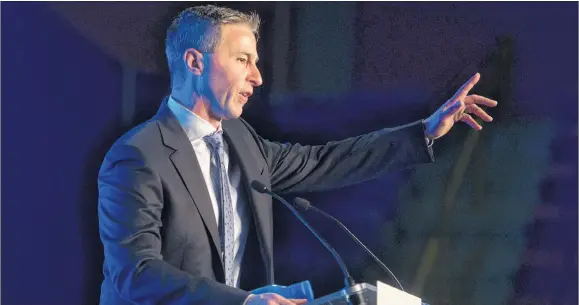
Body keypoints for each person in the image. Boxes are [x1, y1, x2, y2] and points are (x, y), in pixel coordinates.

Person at [97, 4, 498, 305]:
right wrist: (244, 302)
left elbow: (324, 162)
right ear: (194, 62)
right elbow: (136, 273)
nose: (257, 77)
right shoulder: (138, 157)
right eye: (243, 60)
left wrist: (424, 131)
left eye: (256, 61)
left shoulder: (241, 141)